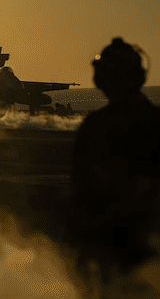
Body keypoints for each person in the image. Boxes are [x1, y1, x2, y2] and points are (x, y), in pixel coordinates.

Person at [68, 37, 160, 283]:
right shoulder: (155, 121)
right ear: (140, 76)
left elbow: (81, 196)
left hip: (109, 247)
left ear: (100, 79)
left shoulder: (95, 128)